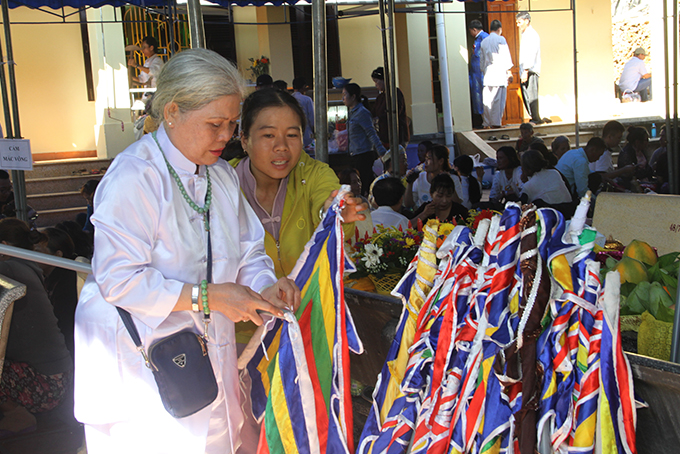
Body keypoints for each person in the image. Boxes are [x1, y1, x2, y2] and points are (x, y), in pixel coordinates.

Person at [74, 49, 300, 453]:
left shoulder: (221, 177)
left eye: (231, 125)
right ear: (173, 111)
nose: (225, 137)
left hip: (207, 360)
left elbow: (249, 251)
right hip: (142, 370)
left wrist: (265, 287)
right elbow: (118, 279)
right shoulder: (135, 175)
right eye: (214, 124)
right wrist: (207, 297)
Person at [233, 87, 366, 279]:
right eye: (269, 135)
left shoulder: (315, 173)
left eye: (292, 135)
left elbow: (326, 199)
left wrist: (331, 213)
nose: (282, 147)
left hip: (308, 303)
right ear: (245, 140)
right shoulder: (222, 183)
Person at [0, 219, 72, 437]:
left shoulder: (10, 269)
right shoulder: (26, 267)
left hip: (41, 384)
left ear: (3, 246)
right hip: (55, 379)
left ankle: (16, 415)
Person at [35, 227, 79, 359]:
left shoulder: (68, 282)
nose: (31, 256)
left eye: (37, 251)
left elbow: (63, 324)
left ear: (58, 255)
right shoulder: (50, 277)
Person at [342, 83, 387, 195]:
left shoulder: (362, 113)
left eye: (344, 95)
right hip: (355, 154)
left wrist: (382, 153)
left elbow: (371, 133)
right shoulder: (352, 112)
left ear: (353, 97)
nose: (342, 98)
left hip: (363, 154)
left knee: (362, 187)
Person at [479, 20, 513, 129]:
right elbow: (505, 56)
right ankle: (496, 123)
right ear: (499, 29)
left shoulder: (484, 41)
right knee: (498, 100)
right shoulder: (501, 39)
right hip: (499, 71)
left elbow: (482, 60)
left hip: (488, 72)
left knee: (488, 100)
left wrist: (484, 70)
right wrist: (509, 72)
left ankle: (487, 122)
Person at [516, 12, 545, 124]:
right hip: (526, 70)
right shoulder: (526, 34)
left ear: (526, 21)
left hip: (530, 70)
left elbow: (531, 54)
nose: (518, 25)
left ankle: (536, 118)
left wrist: (526, 70)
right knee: (526, 95)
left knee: (531, 96)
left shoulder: (531, 34)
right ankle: (534, 117)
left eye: (519, 22)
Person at [404, 144, 452, 209]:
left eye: (429, 159)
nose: (425, 162)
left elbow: (457, 202)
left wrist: (448, 181)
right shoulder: (420, 177)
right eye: (425, 158)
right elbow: (408, 204)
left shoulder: (452, 178)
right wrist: (410, 183)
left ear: (441, 161)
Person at [371, 67, 410, 146]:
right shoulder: (380, 97)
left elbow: (395, 111)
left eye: (376, 81)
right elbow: (373, 112)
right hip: (385, 136)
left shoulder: (395, 93)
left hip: (397, 135)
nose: (376, 85)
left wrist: (379, 118)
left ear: (384, 80)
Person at [617, 126, 653, 190]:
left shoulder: (642, 152)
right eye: (646, 140)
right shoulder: (627, 153)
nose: (647, 143)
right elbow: (631, 174)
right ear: (637, 142)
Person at [468, 20, 489, 127]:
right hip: (476, 74)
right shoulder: (478, 39)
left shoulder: (484, 38)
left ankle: (486, 122)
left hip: (481, 74)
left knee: (483, 97)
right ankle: (483, 121)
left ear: (474, 30)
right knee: (479, 97)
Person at [291, 77, 315, 148]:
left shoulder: (289, 98)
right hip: (307, 134)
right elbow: (312, 118)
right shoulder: (307, 99)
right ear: (304, 87)